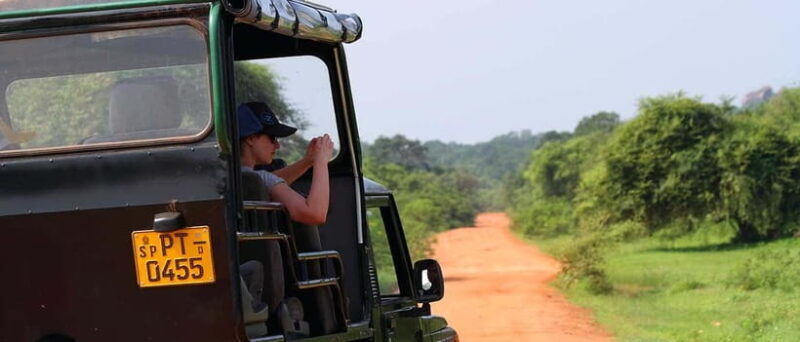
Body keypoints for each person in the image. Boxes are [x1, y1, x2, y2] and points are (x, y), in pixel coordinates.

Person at [237, 101, 334, 225]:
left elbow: (268, 181)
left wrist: (308, 160)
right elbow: (315, 214)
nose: (277, 145)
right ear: (250, 139)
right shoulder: (257, 178)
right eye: (272, 138)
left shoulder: (228, 177)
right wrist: (321, 161)